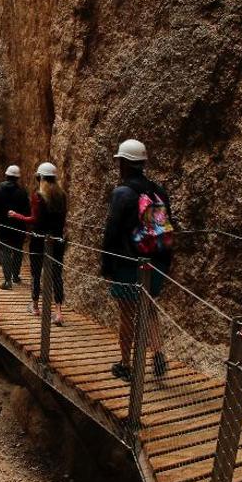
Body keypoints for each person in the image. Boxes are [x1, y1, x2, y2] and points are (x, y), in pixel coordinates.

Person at [102, 139, 173, 382]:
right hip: (157, 262)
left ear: (123, 163)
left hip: (129, 264)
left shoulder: (122, 192)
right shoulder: (158, 191)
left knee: (127, 313)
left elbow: (112, 230)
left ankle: (125, 364)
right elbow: (165, 228)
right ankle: (159, 352)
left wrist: (107, 265)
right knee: (149, 307)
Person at [9, 162, 67, 322]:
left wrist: (16, 215)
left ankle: (35, 306)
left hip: (39, 239)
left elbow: (34, 219)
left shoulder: (38, 196)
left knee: (35, 273)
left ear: (40, 177)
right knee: (57, 275)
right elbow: (62, 220)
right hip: (56, 240)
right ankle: (59, 312)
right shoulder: (62, 195)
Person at [0, 165, 30, 289]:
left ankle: (7, 281)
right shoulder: (22, 192)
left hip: (3, 226)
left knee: (5, 251)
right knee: (17, 251)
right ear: (17, 178)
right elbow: (27, 211)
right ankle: (15, 276)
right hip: (19, 227)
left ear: (6, 176)